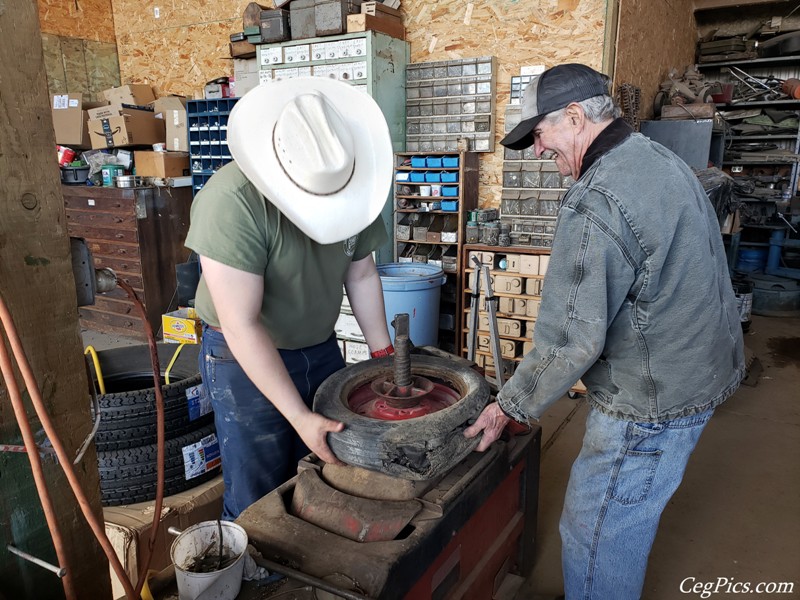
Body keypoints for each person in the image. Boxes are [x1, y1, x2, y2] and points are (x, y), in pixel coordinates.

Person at [464, 64, 745, 599]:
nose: (539, 151)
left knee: (597, 531)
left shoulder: (597, 199)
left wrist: (510, 406)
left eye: (540, 135)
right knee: (626, 517)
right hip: (703, 371)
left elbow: (571, 336)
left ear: (573, 117)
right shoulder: (656, 157)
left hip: (651, 399)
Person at [185, 77, 395, 520]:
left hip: (318, 344)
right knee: (258, 484)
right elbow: (242, 323)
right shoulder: (232, 202)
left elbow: (360, 273)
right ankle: (259, 578)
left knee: (327, 463)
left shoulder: (351, 178)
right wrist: (299, 416)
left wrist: (383, 355)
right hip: (241, 355)